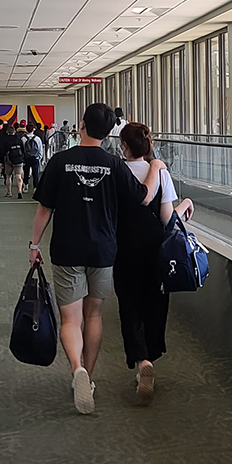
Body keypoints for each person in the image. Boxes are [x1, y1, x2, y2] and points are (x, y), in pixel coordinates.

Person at [29, 103, 164, 414]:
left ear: (82, 126)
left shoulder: (60, 161)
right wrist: (155, 168)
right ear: (108, 132)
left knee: (70, 319)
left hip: (67, 249)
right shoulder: (115, 164)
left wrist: (34, 245)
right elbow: (143, 197)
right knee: (94, 316)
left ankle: (76, 368)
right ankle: (88, 377)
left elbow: (44, 209)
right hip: (103, 250)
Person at [114, 123, 192, 406]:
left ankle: (141, 361)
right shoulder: (160, 172)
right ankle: (151, 354)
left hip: (124, 248)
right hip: (155, 250)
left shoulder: (117, 172)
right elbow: (167, 218)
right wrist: (186, 203)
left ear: (124, 146)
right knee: (154, 304)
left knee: (129, 305)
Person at [3, 125, 26, 198]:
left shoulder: (5, 140)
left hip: (9, 160)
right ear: (14, 132)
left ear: (7, 132)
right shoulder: (18, 140)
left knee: (8, 176)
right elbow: (23, 150)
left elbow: (3, 151)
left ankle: (9, 192)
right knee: (19, 176)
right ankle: (19, 190)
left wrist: (2, 161)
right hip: (18, 160)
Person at [22, 122, 44, 191]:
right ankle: (35, 187)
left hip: (26, 158)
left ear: (26, 129)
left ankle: (26, 186)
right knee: (35, 173)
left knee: (26, 172)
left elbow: (22, 149)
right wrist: (39, 157)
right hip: (35, 158)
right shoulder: (37, 138)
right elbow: (40, 149)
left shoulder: (23, 138)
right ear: (33, 130)